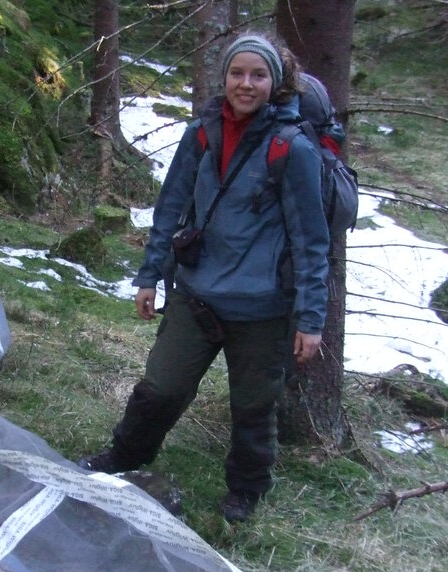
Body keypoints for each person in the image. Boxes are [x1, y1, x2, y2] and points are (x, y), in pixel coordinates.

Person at [85, 31, 332, 523]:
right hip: (196, 293)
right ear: (223, 77)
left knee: (254, 405)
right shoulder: (201, 132)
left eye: (258, 75)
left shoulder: (293, 149)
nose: (246, 84)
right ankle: (126, 457)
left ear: (275, 81)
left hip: (263, 307)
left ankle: (245, 490)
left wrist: (310, 316)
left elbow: (310, 239)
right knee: (160, 387)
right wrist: (149, 274)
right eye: (237, 73)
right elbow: (171, 205)